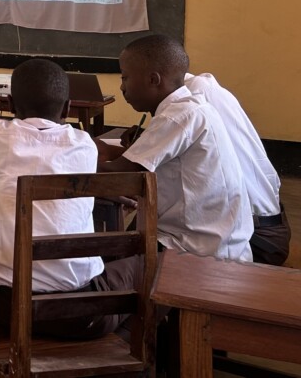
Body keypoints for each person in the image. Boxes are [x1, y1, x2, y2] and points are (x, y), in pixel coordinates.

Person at [0, 58, 141, 338]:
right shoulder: (84, 144)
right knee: (158, 269)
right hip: (79, 315)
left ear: (10, 104)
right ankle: (120, 349)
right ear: (67, 108)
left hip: (5, 308)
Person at [98, 35, 253, 261]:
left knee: (99, 268)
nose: (122, 87)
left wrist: (64, 156)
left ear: (153, 79)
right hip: (207, 242)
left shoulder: (178, 116)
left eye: (125, 77)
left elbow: (120, 174)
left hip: (198, 252)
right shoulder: (191, 108)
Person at [184, 71, 290, 265]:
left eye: (128, 78)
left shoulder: (193, 96)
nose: (125, 90)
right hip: (271, 230)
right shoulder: (205, 88)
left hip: (257, 239)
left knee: (154, 227)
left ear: (154, 79)